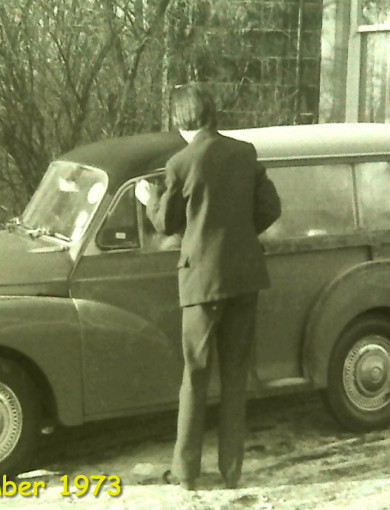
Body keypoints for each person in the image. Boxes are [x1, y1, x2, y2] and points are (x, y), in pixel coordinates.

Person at [135, 83, 281, 490]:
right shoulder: (245, 152)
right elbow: (271, 208)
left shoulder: (180, 163)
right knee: (235, 376)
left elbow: (165, 223)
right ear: (211, 115)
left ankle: (185, 473)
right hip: (244, 277)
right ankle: (232, 471)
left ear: (182, 122)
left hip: (201, 280)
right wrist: (236, 234)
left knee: (195, 376)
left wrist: (149, 197)